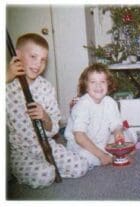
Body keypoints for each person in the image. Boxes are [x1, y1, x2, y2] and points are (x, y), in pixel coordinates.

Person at [6, 33, 89, 189]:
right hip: (22, 153)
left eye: (43, 60)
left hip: (48, 145)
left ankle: (52, 169)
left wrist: (45, 117)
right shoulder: (7, 86)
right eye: (33, 56)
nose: (38, 64)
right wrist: (5, 76)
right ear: (17, 55)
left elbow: (54, 127)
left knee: (81, 166)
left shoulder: (46, 88)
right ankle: (35, 172)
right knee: (45, 175)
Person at [64, 63, 124, 170]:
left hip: (101, 140)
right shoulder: (83, 105)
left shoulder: (110, 102)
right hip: (81, 144)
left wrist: (118, 133)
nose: (98, 86)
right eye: (93, 82)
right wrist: (101, 155)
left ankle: (110, 153)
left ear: (108, 84)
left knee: (129, 135)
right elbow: (79, 137)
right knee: (86, 158)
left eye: (102, 82)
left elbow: (115, 124)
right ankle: (105, 156)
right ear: (86, 86)